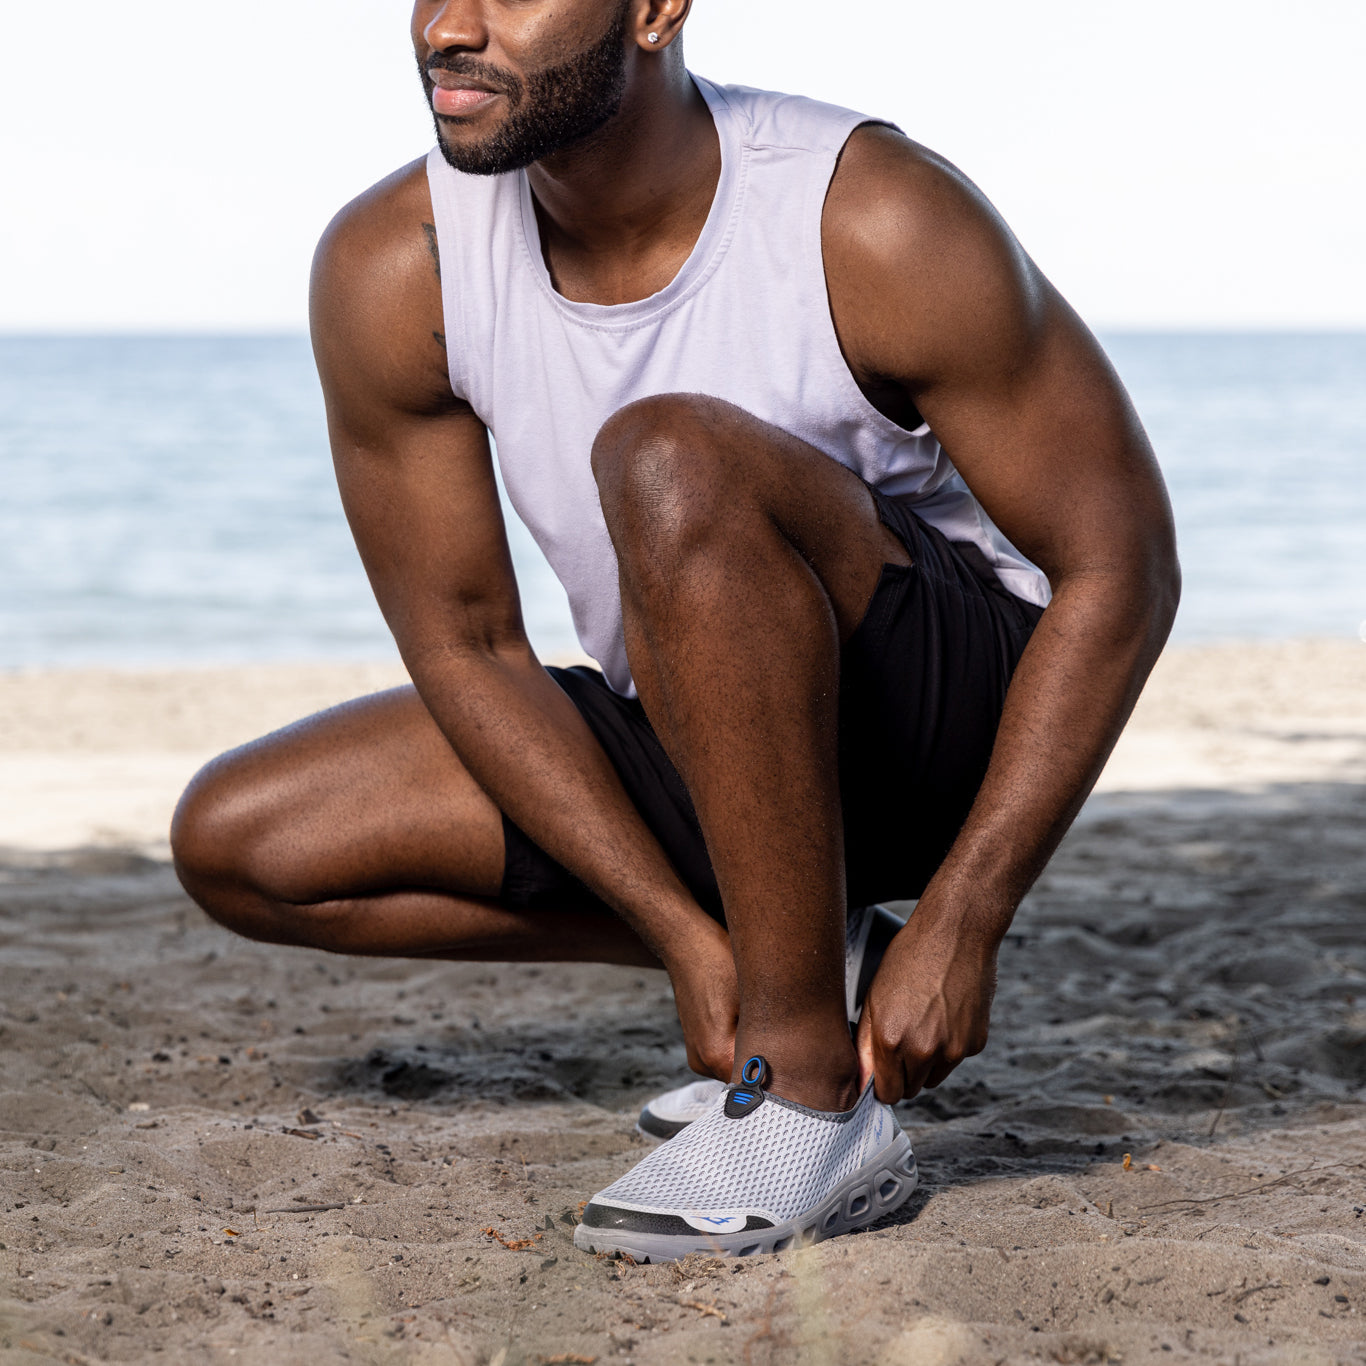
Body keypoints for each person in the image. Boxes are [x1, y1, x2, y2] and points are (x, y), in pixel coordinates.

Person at [171, 0, 1179, 1261]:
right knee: (248, 838)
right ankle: (795, 961)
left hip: (950, 721)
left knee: (664, 455)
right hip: (715, 727)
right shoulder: (398, 264)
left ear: (654, 11)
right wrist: (675, 933)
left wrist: (967, 914)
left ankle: (803, 1089)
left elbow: (1119, 566)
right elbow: (468, 645)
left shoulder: (868, 213)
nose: (447, 26)